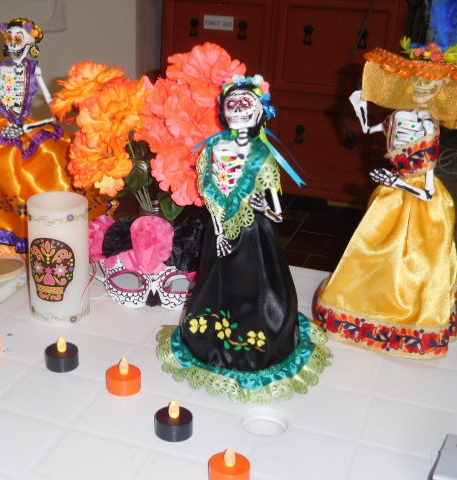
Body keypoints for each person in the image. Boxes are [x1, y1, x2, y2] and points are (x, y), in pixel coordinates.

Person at [156, 75, 330, 402]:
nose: (237, 110)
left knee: (257, 289)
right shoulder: (213, 148)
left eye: (245, 105)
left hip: (253, 235)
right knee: (216, 286)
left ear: (260, 112)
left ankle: (258, 345)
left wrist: (264, 207)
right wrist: (220, 231)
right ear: (223, 110)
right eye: (232, 105)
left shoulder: (261, 155)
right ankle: (211, 343)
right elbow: (210, 193)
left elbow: (277, 212)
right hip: (218, 233)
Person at [313, 43, 457, 358]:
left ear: (439, 89)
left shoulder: (429, 126)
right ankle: (366, 306)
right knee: (371, 249)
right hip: (389, 197)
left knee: (414, 260)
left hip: (418, 204)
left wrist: (396, 182)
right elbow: (369, 128)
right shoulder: (398, 116)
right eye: (417, 82)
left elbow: (428, 191)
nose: (422, 89)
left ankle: (409, 319)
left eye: (429, 84)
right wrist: (360, 106)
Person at [0, 17, 75, 259]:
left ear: (30, 42)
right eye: (10, 37)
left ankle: (45, 237)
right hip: (0, 131)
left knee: (41, 173)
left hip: (28, 130)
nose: (13, 42)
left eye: (19, 37)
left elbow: (53, 114)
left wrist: (27, 128)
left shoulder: (34, 70)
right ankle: (1, 234)